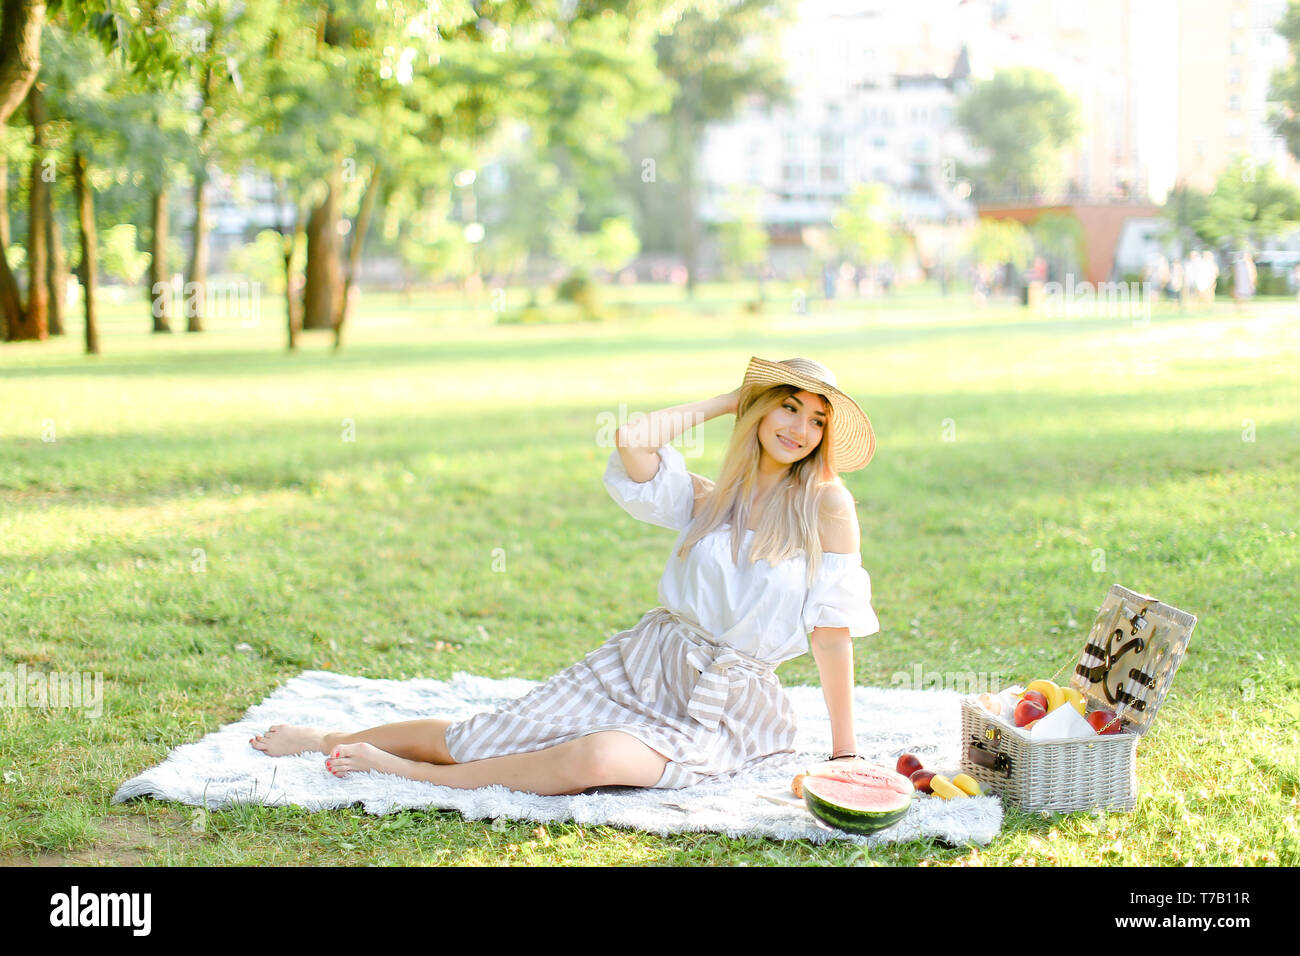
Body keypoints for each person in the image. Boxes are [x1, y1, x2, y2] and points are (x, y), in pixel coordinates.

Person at [250, 357, 881, 796]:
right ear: (760, 412)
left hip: (727, 704)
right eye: (788, 408)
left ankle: (410, 776)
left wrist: (845, 750)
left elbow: (832, 633)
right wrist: (729, 401)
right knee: (482, 735)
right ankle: (327, 737)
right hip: (647, 663)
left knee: (599, 757)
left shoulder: (826, 506)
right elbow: (634, 440)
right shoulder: (709, 499)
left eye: (818, 420)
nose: (801, 429)